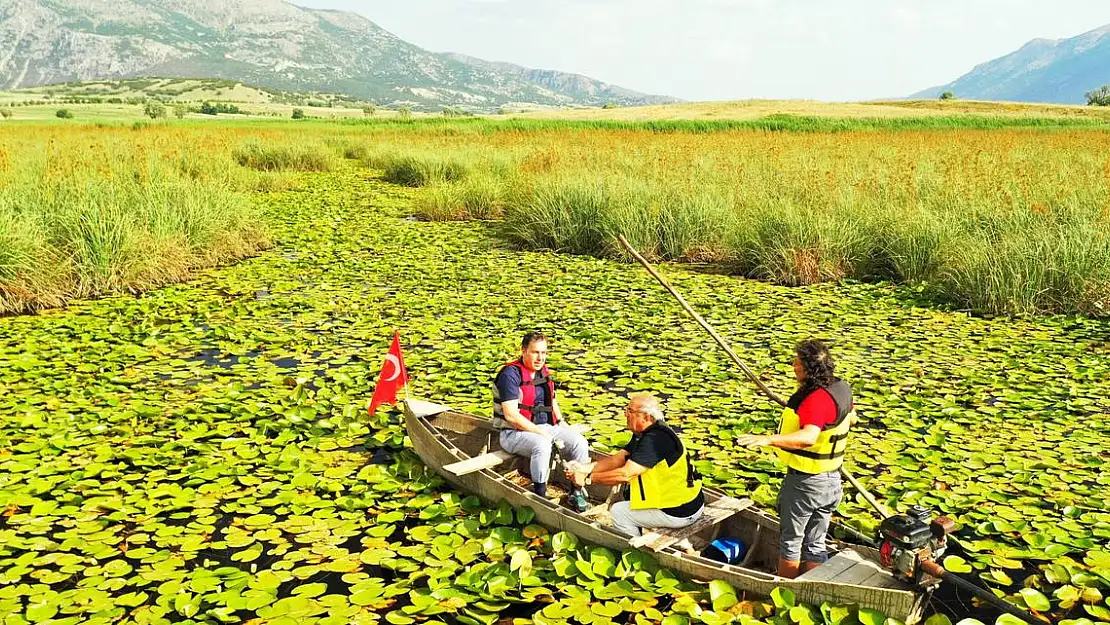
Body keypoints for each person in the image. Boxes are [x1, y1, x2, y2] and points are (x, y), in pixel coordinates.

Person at [736, 339, 854, 579]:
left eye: (798, 362)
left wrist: (768, 439)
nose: (793, 365)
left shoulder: (816, 400)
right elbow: (851, 417)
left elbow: (809, 437)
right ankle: (813, 588)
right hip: (832, 480)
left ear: (809, 368)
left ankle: (786, 591)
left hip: (806, 483)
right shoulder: (841, 387)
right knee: (816, 542)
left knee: (791, 540)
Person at [492, 331, 590, 512]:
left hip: (544, 427)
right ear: (523, 351)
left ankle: (576, 491)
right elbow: (512, 416)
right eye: (535, 352)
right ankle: (540, 495)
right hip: (513, 433)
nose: (540, 358)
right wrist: (541, 433)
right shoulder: (510, 375)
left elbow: (552, 400)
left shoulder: (543, 372)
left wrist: (560, 422)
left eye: (544, 353)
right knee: (542, 445)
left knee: (579, 442)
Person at [584, 394, 704, 537]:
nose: (625, 414)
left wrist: (589, 479)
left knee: (619, 511)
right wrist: (584, 469)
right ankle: (685, 546)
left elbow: (625, 475)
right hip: (688, 503)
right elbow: (618, 459)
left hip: (680, 512)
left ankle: (635, 551)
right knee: (632, 497)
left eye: (630, 411)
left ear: (646, 416)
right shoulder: (645, 432)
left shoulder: (654, 441)